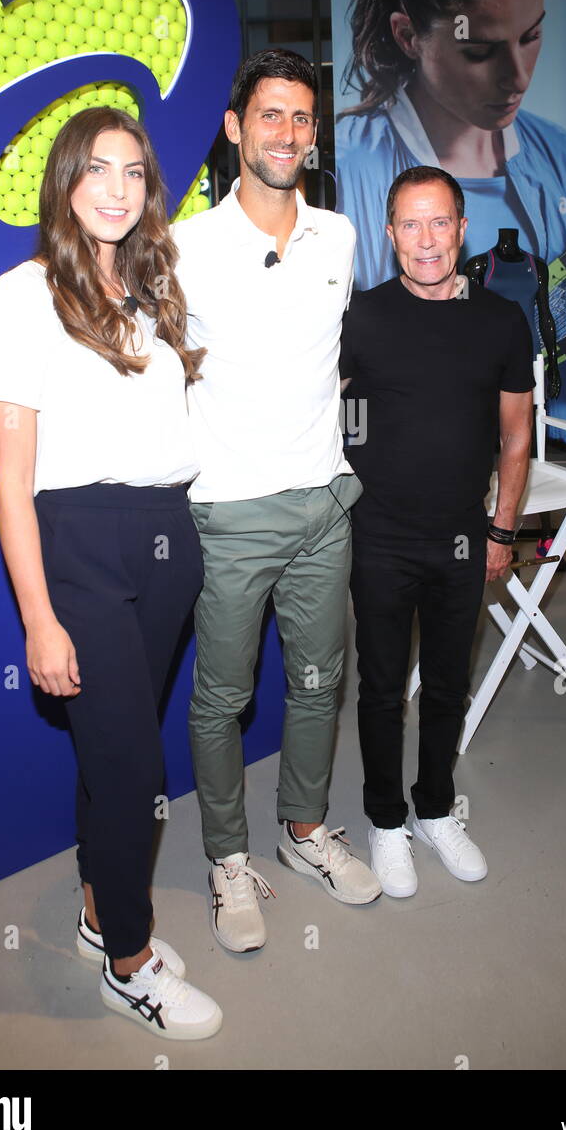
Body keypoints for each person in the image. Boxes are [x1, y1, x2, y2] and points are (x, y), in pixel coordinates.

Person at [0, 107, 222, 1040]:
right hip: (75, 539)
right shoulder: (21, 294)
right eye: (98, 170)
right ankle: (129, 959)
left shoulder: (158, 294)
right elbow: (10, 476)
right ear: (66, 182)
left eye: (133, 172)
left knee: (109, 750)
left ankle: (93, 913)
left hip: (166, 533)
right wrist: (38, 616)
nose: (117, 189)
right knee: (130, 765)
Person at [173, 49, 380, 955]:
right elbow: (151, 367)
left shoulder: (337, 235)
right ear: (235, 129)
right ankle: (227, 858)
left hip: (323, 505)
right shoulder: (182, 248)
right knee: (221, 699)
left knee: (319, 683)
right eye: (271, 116)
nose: (288, 134)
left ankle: (304, 831)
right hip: (228, 511)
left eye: (301, 118)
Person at [340, 165, 534, 897]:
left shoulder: (500, 322)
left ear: (462, 229)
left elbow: (516, 440)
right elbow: (323, 411)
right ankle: (386, 821)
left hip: (463, 537)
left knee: (450, 684)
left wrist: (501, 529)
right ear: (391, 235)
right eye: (411, 225)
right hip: (379, 538)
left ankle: (434, 809)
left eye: (440, 222)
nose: (427, 240)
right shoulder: (362, 318)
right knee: (383, 688)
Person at [336, 0, 566, 291]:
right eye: (479, 51)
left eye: (530, 36)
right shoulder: (347, 167)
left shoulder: (564, 155)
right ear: (407, 36)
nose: (518, 79)